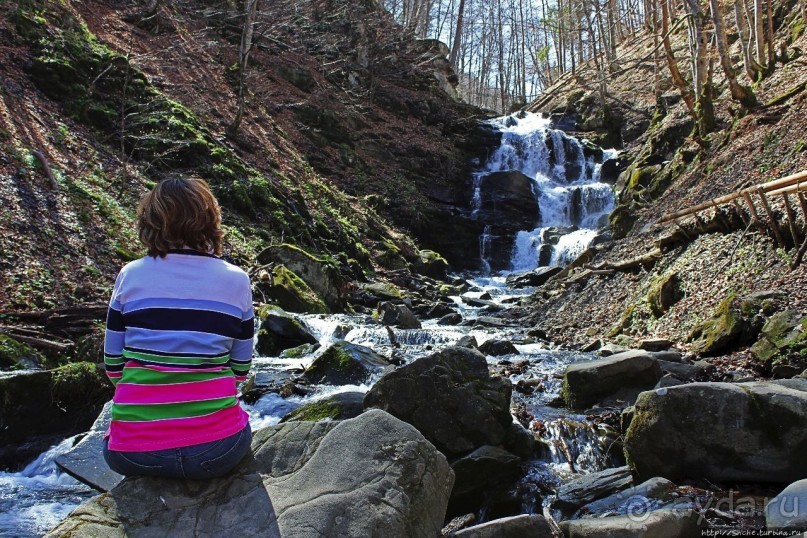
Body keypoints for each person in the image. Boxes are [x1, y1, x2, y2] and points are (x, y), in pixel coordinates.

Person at [102, 176, 254, 479]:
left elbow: (113, 367)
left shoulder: (130, 275)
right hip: (218, 450)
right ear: (210, 220)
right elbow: (240, 369)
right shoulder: (237, 280)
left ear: (151, 221)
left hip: (133, 453)